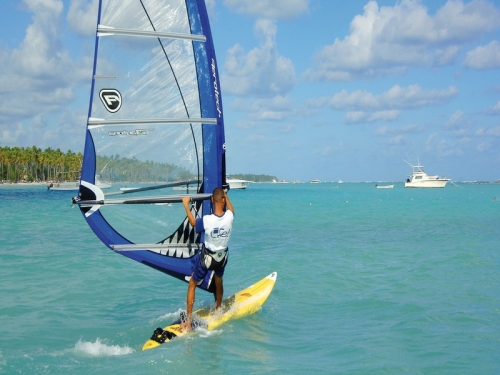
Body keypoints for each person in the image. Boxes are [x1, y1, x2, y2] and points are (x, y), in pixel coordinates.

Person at [180, 187, 234, 332]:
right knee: (219, 280)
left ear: (211, 200)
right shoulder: (229, 217)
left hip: (207, 259)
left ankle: (189, 322)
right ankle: (218, 310)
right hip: (222, 258)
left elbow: (192, 223)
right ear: (223, 200)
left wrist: (186, 204)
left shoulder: (207, 220)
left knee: (192, 283)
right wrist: (226, 196)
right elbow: (231, 210)